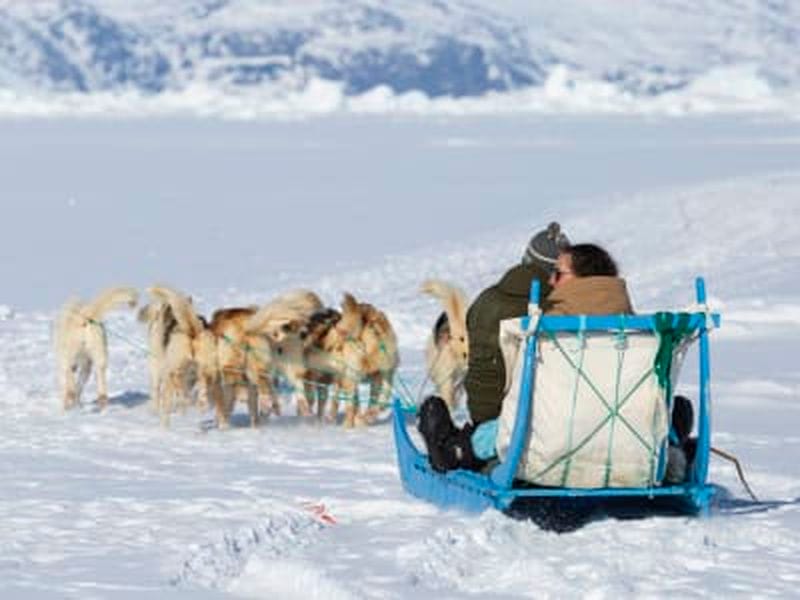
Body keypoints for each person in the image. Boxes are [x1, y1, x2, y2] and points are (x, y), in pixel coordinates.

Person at [418, 242, 634, 473]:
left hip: (553, 444)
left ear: (585, 280)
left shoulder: (546, 327)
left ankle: (456, 450)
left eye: (558, 274)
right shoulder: (637, 331)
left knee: (514, 422)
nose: (550, 281)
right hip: (624, 441)